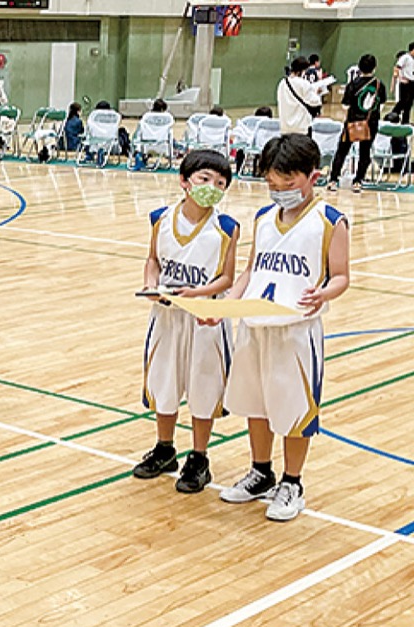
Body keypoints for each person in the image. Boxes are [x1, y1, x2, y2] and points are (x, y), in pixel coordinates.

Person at [219, 134, 350, 521]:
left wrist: (325, 293)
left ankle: (292, 482)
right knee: (256, 404)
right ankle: (261, 472)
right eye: (272, 184)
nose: (279, 191)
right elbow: (249, 271)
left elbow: (342, 276)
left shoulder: (329, 221)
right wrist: (229, 304)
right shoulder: (262, 219)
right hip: (255, 324)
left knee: (293, 408)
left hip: (296, 330)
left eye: (288, 184)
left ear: (313, 176)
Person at [132, 150, 239, 493]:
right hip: (165, 315)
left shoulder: (225, 228)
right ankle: (165, 449)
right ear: (184, 180)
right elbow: (152, 260)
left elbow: (227, 278)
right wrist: (150, 285)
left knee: (203, 388)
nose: (212, 187)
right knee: (164, 382)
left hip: (205, 319)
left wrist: (197, 294)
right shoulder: (161, 218)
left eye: (220, 183)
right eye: (205, 179)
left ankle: (199, 458)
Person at [328, 54, 386, 194]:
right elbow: (382, 104)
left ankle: (333, 180)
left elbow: (345, 105)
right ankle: (358, 181)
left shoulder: (353, 84)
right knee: (364, 153)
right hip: (370, 123)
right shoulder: (379, 84)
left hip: (352, 123)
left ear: (359, 67)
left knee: (342, 151)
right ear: (375, 68)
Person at [277, 57, 322, 134]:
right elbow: (316, 102)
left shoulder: (282, 83)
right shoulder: (303, 83)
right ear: (300, 71)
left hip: (285, 128)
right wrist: (316, 92)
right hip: (301, 128)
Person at [393, 42, 414, 123]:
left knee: (409, 104)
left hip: (412, 83)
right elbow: (397, 67)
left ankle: (405, 121)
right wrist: (399, 77)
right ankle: (392, 115)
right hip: (405, 82)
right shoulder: (405, 57)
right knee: (403, 102)